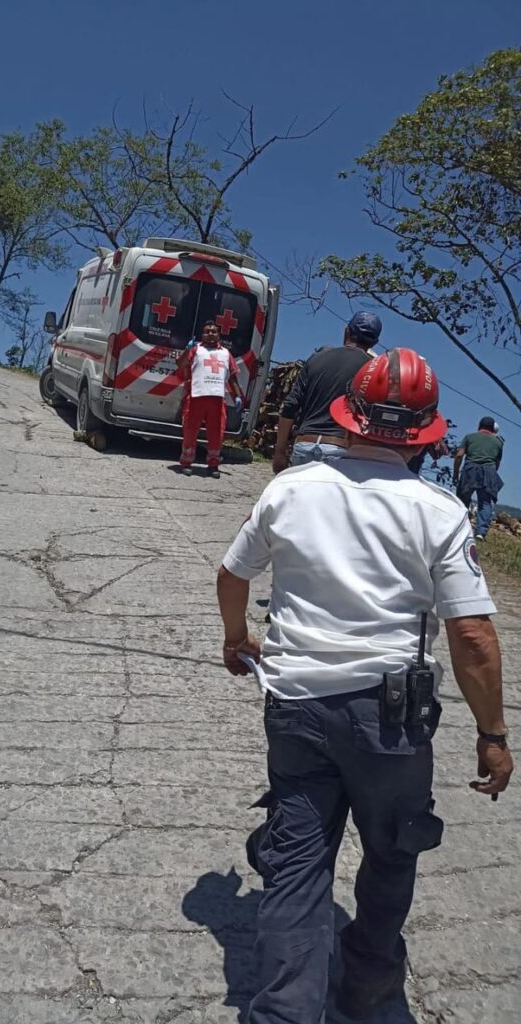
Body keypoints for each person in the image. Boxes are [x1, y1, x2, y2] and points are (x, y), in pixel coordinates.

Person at [216, 348, 512, 1024]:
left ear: (347, 422)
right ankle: (368, 984)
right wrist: (492, 735)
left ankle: (285, 1011)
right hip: (392, 719)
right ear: (428, 435)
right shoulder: (439, 513)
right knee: (392, 850)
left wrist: (238, 639)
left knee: (297, 864)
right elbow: (472, 637)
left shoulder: (290, 488)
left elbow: (233, 575)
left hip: (297, 709)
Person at [272, 311, 381, 473]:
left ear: (346, 332)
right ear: (375, 342)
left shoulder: (317, 358)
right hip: (341, 449)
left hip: (305, 445)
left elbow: (290, 406)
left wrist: (279, 451)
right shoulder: (374, 370)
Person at [176, 320, 246, 478]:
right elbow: (180, 364)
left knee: (216, 433)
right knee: (190, 430)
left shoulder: (226, 354)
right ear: (202, 334)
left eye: (213, 331)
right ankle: (186, 462)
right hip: (196, 397)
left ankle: (213, 465)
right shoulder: (195, 349)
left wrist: (237, 396)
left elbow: (232, 377)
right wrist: (187, 350)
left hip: (216, 399)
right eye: (207, 331)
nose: (210, 334)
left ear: (219, 334)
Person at [454, 417, 505, 541]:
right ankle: (480, 532)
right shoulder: (498, 443)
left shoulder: (469, 437)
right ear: (493, 429)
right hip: (489, 471)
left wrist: (456, 473)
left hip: (470, 470)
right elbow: (497, 463)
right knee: (485, 503)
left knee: (462, 499)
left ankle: (459, 527)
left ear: (479, 426)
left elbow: (459, 455)